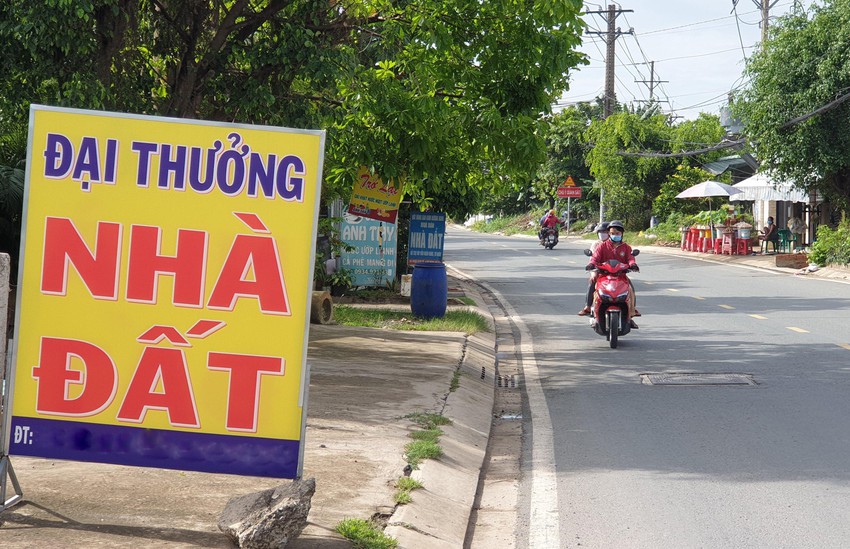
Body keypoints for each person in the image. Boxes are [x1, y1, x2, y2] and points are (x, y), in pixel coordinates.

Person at [582, 220, 640, 328]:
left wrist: (633, 265)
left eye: (617, 233)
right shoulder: (602, 246)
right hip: (603, 275)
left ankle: (631, 314)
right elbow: (595, 257)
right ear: (609, 233)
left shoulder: (626, 247)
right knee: (596, 289)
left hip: (621, 275)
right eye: (612, 233)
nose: (615, 235)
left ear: (622, 234)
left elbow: (630, 258)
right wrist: (591, 264)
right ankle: (592, 311)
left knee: (630, 289)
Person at [577, 222, 609, 316]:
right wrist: (593, 272)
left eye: (604, 231)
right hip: (599, 270)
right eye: (600, 231)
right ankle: (587, 306)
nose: (602, 234)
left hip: (615, 271)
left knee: (628, 285)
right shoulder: (596, 244)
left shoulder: (615, 244)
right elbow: (593, 259)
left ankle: (631, 311)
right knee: (592, 282)